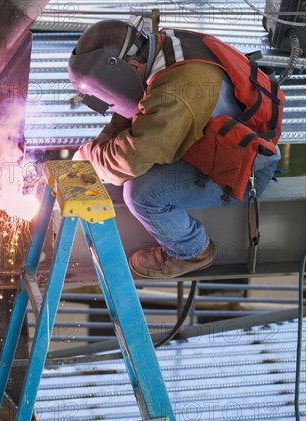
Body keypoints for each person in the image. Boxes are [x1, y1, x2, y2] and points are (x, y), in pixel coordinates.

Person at [68, 18, 284, 278]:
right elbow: (131, 103)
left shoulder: (175, 93)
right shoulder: (160, 46)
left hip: (243, 169)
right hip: (220, 139)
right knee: (116, 168)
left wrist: (87, 158)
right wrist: (100, 144)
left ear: (132, 67)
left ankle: (192, 250)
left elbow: (132, 159)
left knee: (140, 194)